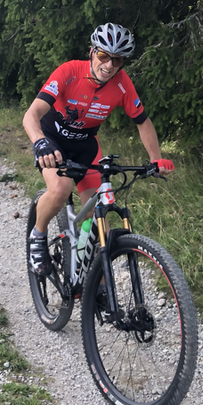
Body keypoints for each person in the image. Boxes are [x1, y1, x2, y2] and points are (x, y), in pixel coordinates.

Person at [22, 22, 174, 274]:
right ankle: (37, 236)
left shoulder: (122, 84)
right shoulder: (70, 71)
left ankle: (95, 283)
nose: (109, 65)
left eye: (117, 60)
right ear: (92, 51)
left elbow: (142, 121)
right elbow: (32, 114)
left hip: (85, 145)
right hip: (53, 140)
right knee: (60, 190)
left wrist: (156, 159)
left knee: (97, 216)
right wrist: (40, 141)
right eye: (104, 56)